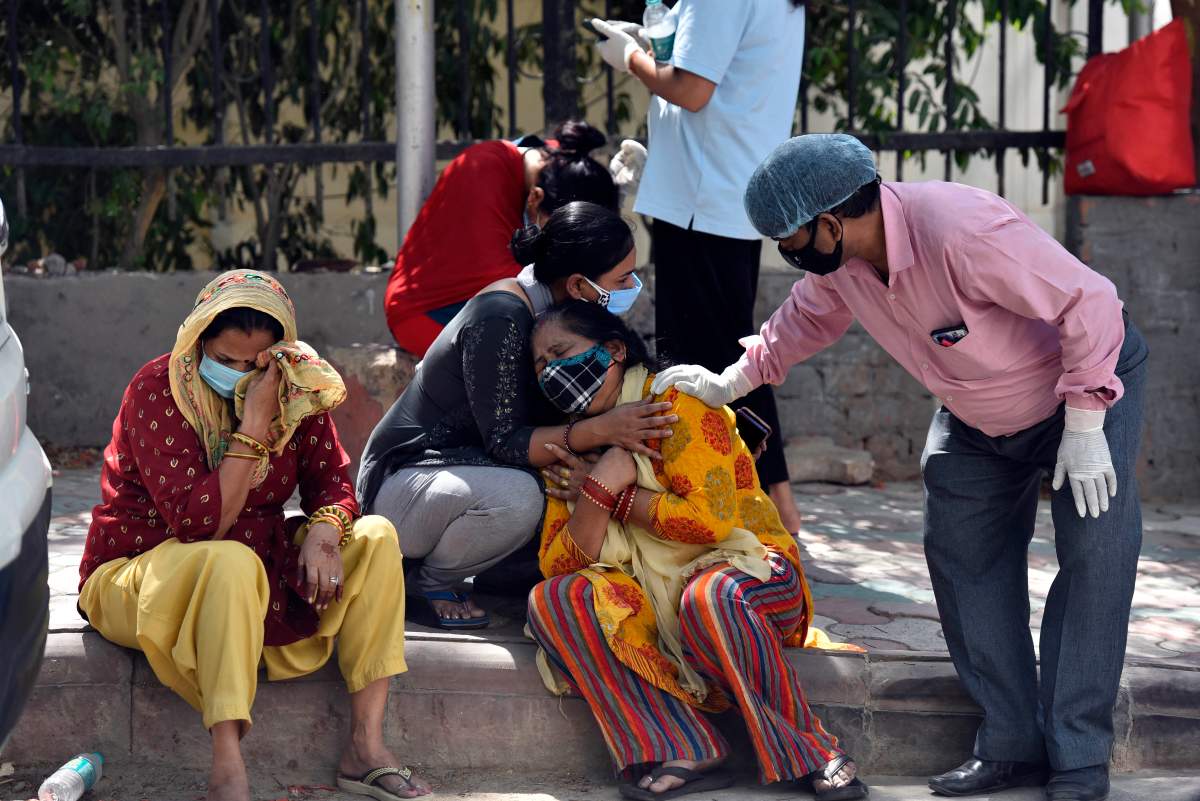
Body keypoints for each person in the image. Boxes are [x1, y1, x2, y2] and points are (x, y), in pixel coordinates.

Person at [655, 134, 1148, 801]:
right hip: (974, 412)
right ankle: (1010, 744)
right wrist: (732, 381)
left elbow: (1088, 301)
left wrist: (1087, 419)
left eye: (791, 238)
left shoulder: (960, 229)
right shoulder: (845, 264)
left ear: (832, 221)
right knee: (961, 554)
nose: (788, 252)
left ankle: (1080, 758)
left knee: (1096, 553)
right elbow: (803, 318)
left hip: (1082, 385)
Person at [77, 270, 430, 801]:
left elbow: (334, 481)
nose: (241, 374)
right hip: (141, 574)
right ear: (198, 342)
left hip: (249, 576)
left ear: (279, 352)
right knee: (228, 558)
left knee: (376, 536)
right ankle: (227, 770)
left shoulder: (294, 388)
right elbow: (200, 527)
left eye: (255, 363)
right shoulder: (158, 389)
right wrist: (254, 423)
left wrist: (325, 533)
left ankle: (366, 748)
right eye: (225, 360)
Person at [525, 300, 868, 801]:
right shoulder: (573, 441)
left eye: (562, 352)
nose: (553, 372)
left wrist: (617, 495)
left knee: (710, 597)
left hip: (753, 577)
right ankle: (685, 742)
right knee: (556, 599)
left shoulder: (675, 404)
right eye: (540, 366)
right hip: (654, 602)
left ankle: (812, 748)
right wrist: (598, 487)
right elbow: (558, 563)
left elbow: (708, 522)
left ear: (614, 350)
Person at [358, 201, 673, 630]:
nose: (633, 285)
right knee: (525, 494)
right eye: (622, 279)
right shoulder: (502, 316)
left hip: (465, 480)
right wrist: (599, 430)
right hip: (407, 487)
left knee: (571, 477)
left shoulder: (563, 317)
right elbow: (506, 442)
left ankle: (499, 575)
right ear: (579, 285)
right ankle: (426, 583)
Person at [590, 1, 808, 536]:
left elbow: (692, 90)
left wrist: (633, 58)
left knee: (704, 364)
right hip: (724, 194)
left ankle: (749, 513)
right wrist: (652, 39)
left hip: (702, 200)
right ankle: (776, 508)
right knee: (731, 357)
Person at [384, 119, 621, 357]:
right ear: (535, 199)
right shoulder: (482, 168)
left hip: (489, 302)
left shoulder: (559, 161)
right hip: (425, 313)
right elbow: (515, 285)